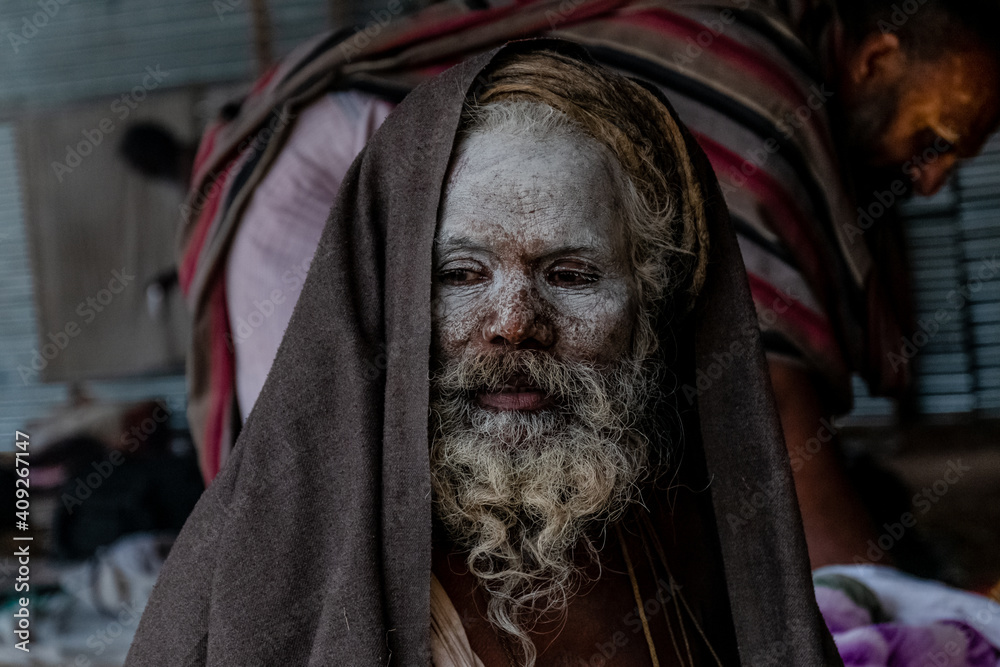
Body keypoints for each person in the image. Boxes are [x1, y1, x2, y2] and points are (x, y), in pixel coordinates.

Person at [176, 0, 1000, 568]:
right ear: (877, 58)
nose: (932, 182)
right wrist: (878, 600)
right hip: (340, 170)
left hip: (462, 206)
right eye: (938, 138)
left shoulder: (774, 58)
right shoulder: (769, 100)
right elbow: (775, 402)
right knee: (321, 493)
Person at [125, 43, 841, 666]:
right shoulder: (259, 587)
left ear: (647, 306)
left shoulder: (700, 544)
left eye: (570, 275)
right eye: (461, 274)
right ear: (393, 301)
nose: (513, 323)